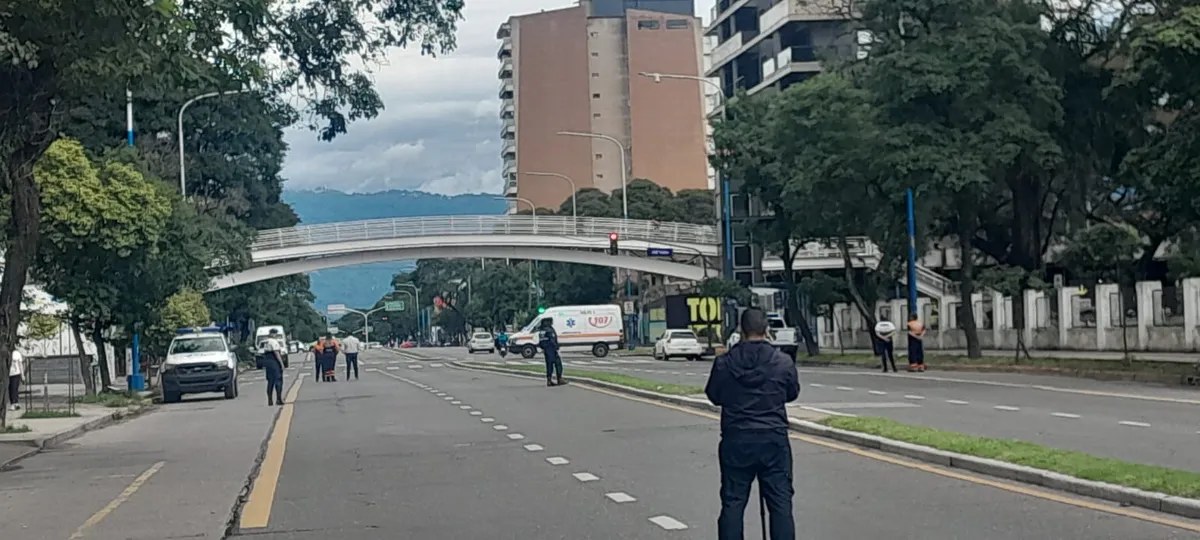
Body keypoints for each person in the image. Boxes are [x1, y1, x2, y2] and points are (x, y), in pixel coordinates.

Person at [705, 308, 800, 540]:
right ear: (766, 330)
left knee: (733, 501)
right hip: (773, 438)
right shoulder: (783, 362)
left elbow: (714, 395)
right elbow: (792, 393)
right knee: (780, 503)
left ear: (741, 330)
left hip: (736, 438)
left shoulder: (724, 363)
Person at [262, 330, 286, 406]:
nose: (276, 335)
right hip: (274, 361)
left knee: (270, 381)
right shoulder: (274, 342)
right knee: (278, 380)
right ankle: (279, 399)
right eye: (275, 334)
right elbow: (276, 353)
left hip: (267, 361)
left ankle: (270, 399)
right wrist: (281, 364)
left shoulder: (266, 342)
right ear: (273, 334)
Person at [538, 318, 563, 386]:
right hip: (552, 349)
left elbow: (540, 341)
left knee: (549, 365)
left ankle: (549, 380)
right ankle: (559, 379)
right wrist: (557, 348)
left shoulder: (542, 330)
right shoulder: (549, 330)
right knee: (558, 364)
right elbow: (552, 340)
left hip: (546, 349)